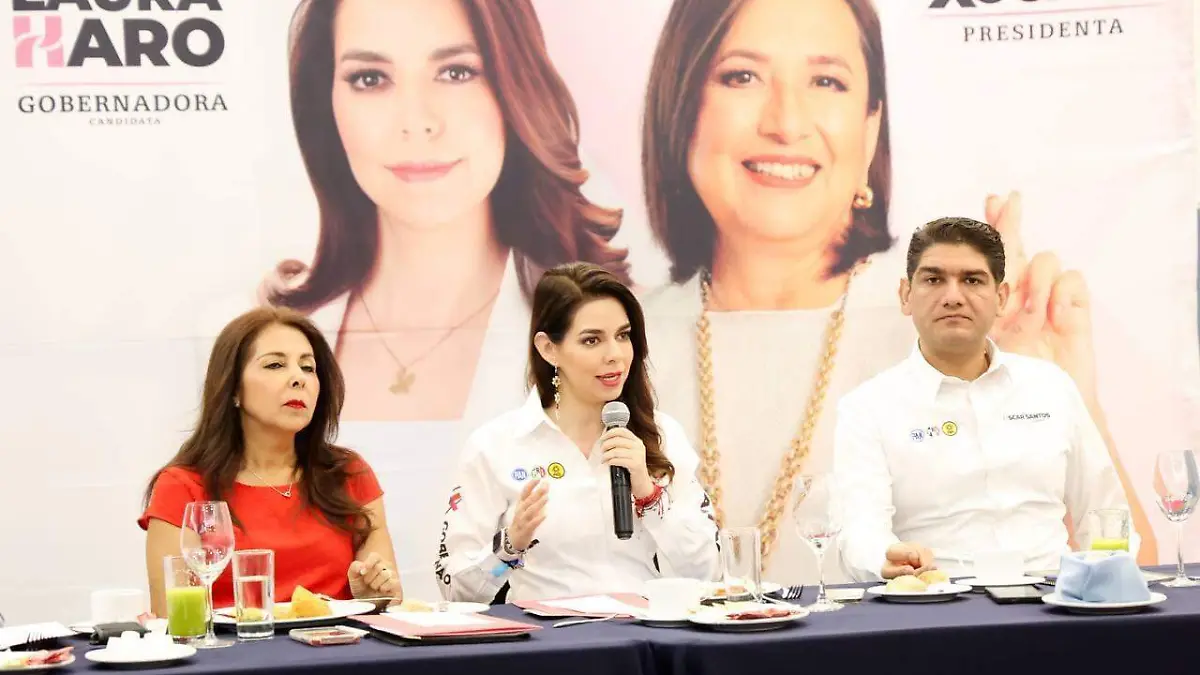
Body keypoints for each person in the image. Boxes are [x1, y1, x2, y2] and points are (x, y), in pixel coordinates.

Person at [637, 0, 1154, 583]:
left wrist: (1063, 392)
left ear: (870, 127)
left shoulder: (940, 329)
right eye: (742, 76)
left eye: (825, 81)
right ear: (681, 106)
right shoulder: (623, 340)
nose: (786, 122)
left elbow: (1129, 580)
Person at [260, 0, 628, 423]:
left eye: (456, 73)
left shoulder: (622, 327)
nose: (417, 122)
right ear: (326, 104)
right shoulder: (254, 333)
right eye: (370, 78)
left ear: (516, 87)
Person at [833, 217, 1139, 581]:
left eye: (972, 280)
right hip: (936, 599)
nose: (953, 297)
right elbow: (859, 528)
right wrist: (885, 558)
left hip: (1052, 596)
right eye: (934, 280)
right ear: (906, 295)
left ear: (1001, 298)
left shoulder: (1051, 386)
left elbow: (1105, 512)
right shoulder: (868, 408)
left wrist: (1105, 589)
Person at [435, 263, 719, 603]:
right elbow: (456, 591)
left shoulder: (662, 435)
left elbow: (707, 572)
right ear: (548, 348)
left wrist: (648, 494)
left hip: (644, 628)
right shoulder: (496, 445)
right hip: (545, 633)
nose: (615, 355)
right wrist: (509, 546)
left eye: (623, 335)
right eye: (592, 340)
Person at [140, 307, 402, 616]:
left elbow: (388, 600)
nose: (298, 379)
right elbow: (175, 620)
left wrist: (373, 597)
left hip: (338, 643)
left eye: (308, 367)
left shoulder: (347, 473)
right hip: (234, 646)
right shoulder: (183, 486)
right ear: (233, 388)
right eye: (275, 365)